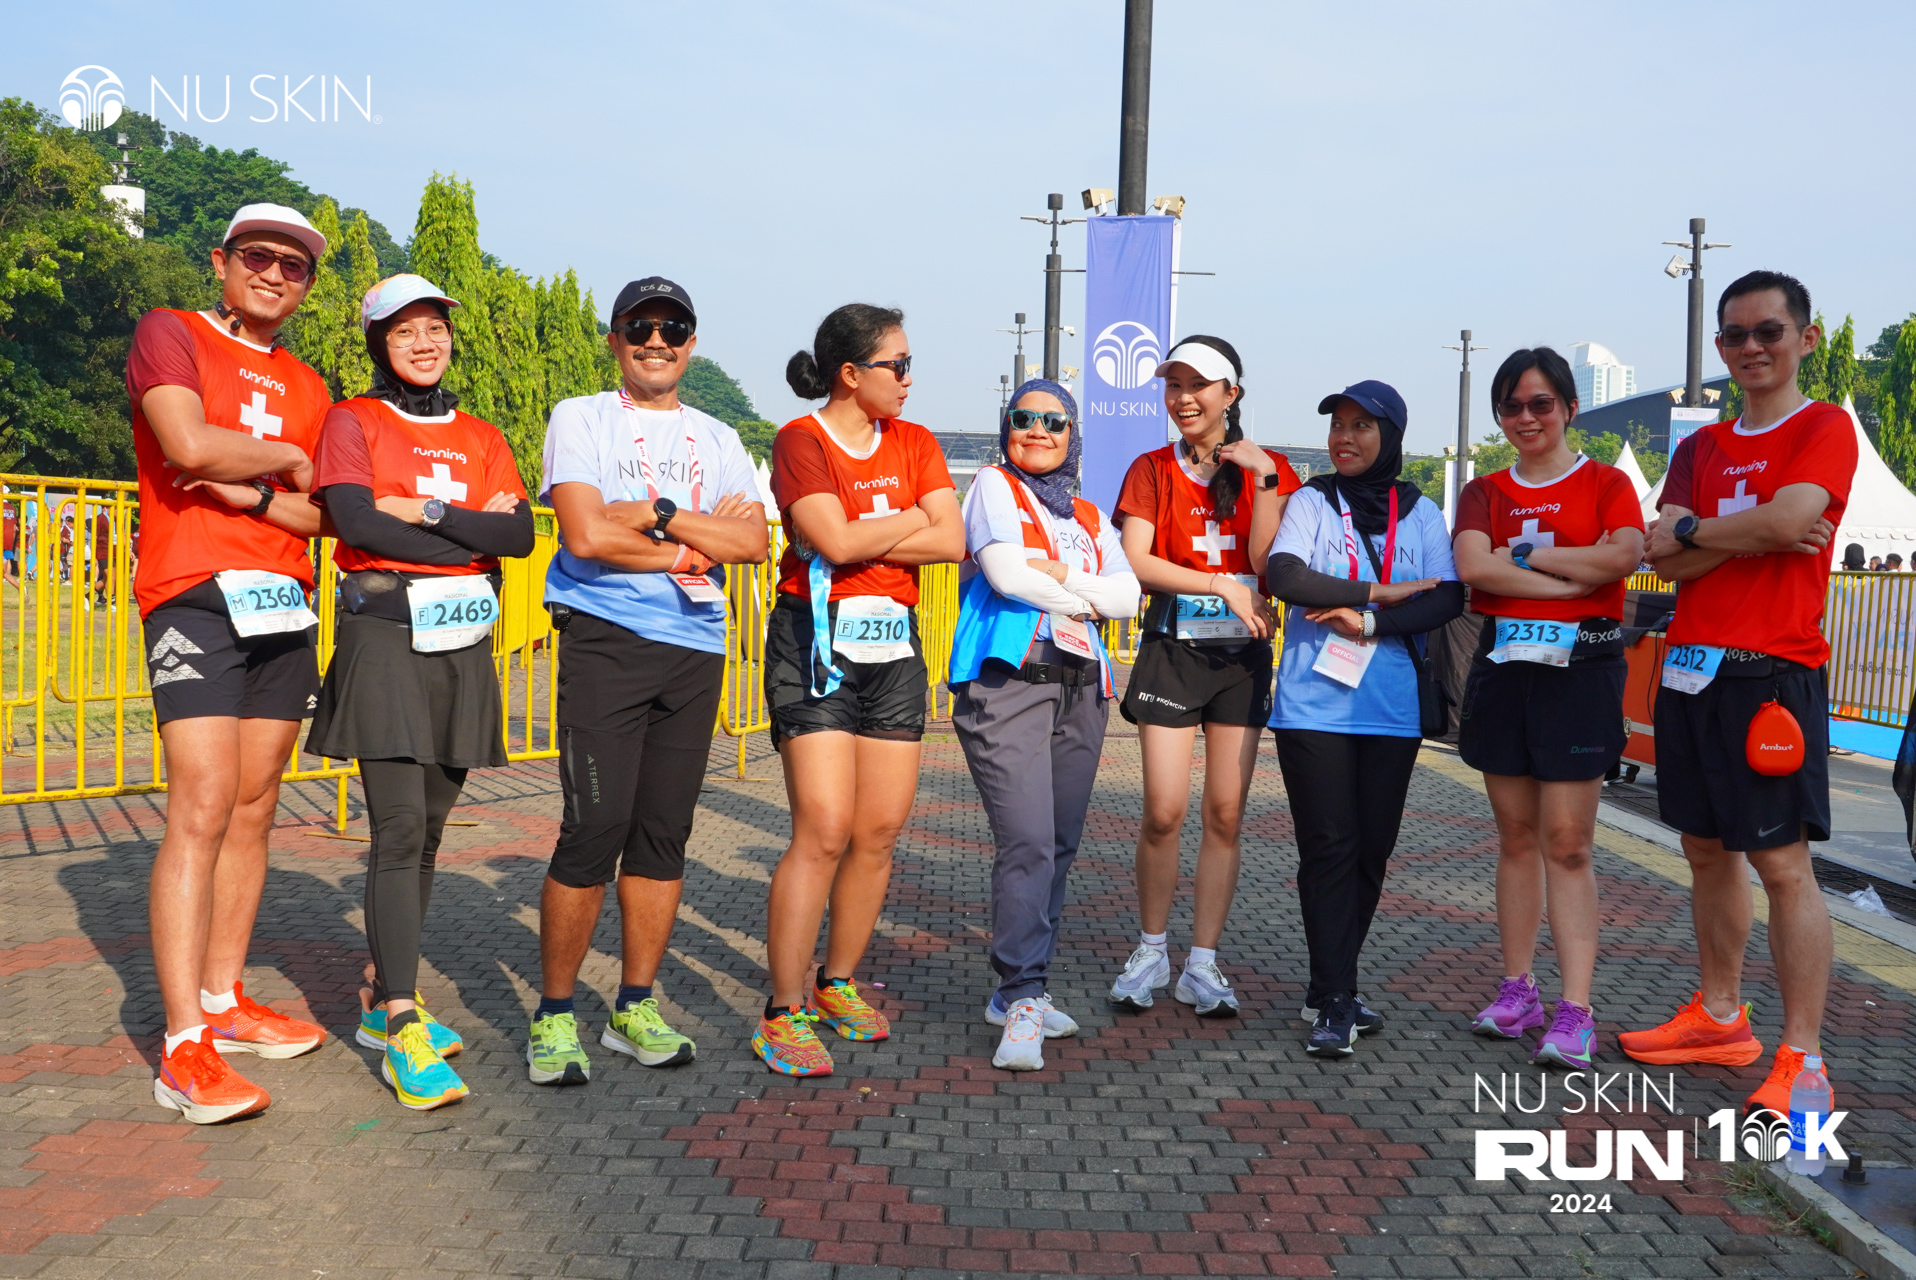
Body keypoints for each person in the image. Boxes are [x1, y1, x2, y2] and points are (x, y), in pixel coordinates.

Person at [1626, 270, 1857, 1117]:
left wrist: (1704, 532)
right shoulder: (1700, 449)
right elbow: (1664, 555)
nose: (1751, 347)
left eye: (1768, 331)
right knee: (1704, 852)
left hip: (1772, 675)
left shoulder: (1823, 426)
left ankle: (1805, 1058)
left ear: (1805, 338)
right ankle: (1720, 1017)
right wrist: (1751, 532)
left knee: (1784, 866)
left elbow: (1789, 521)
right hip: (1691, 668)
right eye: (1735, 335)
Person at [526, 278, 767, 1086]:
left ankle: (634, 1005)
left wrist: (653, 512)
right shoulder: (582, 416)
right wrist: (692, 541)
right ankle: (555, 1014)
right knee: (594, 830)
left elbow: (752, 543)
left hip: (695, 646)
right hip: (607, 640)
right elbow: (586, 535)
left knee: (663, 835)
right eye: (640, 326)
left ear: (692, 343)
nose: (656, 340)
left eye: (673, 327)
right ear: (615, 339)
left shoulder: (719, 436)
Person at [305, 274, 534, 1110]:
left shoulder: (482, 434)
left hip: (462, 643)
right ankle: (403, 1019)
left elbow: (519, 533)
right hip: (385, 639)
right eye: (404, 331)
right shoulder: (353, 420)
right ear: (379, 343)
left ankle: (379, 993)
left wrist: (427, 512)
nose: (424, 342)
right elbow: (358, 522)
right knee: (399, 829)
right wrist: (470, 536)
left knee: (432, 830)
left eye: (434, 326)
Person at [128, 203, 333, 1123]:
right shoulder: (170, 332)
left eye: (295, 266)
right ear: (222, 261)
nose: (275, 274)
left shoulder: (311, 383)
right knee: (203, 804)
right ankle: (183, 1046)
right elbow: (185, 444)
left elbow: (321, 515)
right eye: (259, 256)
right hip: (193, 591)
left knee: (255, 805)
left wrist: (245, 489)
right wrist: (283, 459)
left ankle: (223, 997)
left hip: (284, 603)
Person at [756, 304, 962, 1076]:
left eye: (909, 365)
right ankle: (782, 1011)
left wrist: (869, 533)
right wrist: (908, 517)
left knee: (878, 830)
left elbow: (952, 540)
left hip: (894, 647)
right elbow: (833, 541)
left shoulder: (915, 440)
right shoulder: (800, 441)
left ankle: (835, 981)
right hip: (814, 642)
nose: (908, 379)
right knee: (824, 827)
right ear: (850, 373)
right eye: (896, 365)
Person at [1451, 349, 1645, 1069]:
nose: (1526, 418)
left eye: (1540, 404)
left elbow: (1623, 556)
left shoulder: (1606, 482)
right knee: (1515, 837)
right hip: (1506, 667)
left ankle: (1577, 1011)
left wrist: (1524, 558)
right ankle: (1518, 991)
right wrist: (1571, 577)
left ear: (1568, 408)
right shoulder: (1484, 491)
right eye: (1512, 406)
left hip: (1582, 671)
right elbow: (1474, 566)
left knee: (1568, 843)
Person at [1265, 380, 1461, 1054]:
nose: (1344, 438)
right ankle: (1337, 998)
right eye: (1337, 425)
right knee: (1329, 847)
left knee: (1371, 850)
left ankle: (1330, 987)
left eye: (1361, 426)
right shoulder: (1312, 501)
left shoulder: (1422, 512)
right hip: (1311, 707)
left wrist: (1368, 620)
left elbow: (1446, 597)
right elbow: (1286, 577)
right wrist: (1381, 590)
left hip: (1391, 709)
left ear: (1391, 436)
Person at [949, 378, 1140, 1070]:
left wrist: (1061, 577)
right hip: (1011, 681)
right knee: (1027, 839)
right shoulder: (992, 486)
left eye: (1054, 422)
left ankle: (1018, 990)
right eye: (1024, 417)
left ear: (1072, 435)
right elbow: (1007, 576)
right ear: (1007, 427)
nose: (1038, 430)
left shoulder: (1088, 512)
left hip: (1083, 685)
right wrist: (1089, 594)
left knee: (1057, 843)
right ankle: (1023, 991)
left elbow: (1129, 596)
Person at [1109, 336, 1300, 1017]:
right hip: (1172, 651)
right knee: (1163, 811)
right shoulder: (1150, 468)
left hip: (1241, 659)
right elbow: (1137, 561)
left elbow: (1268, 562)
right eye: (1174, 384)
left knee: (1225, 813)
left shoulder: (1269, 469)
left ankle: (1202, 962)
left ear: (1231, 394)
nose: (1184, 397)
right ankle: (1150, 950)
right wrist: (1219, 584)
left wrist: (1265, 481)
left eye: (1198, 385)